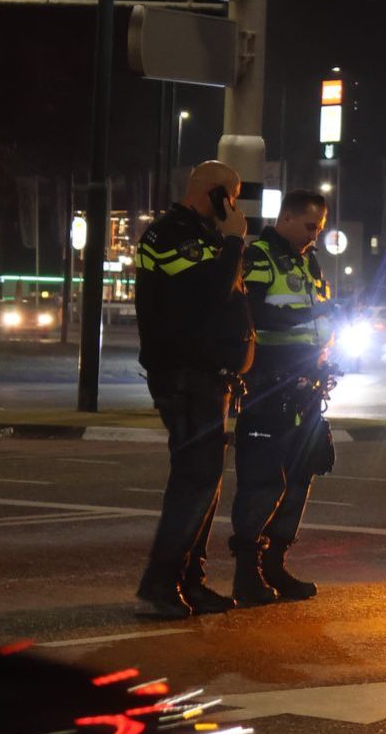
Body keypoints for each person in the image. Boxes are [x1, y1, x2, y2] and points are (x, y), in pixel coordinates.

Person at [134, 161, 254, 619]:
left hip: (210, 377)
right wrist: (233, 241)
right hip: (186, 376)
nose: (236, 205)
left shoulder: (206, 237)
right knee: (195, 481)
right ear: (215, 193)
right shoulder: (168, 235)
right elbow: (207, 296)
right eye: (232, 194)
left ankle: (188, 580)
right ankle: (160, 585)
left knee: (205, 482)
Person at [227, 189, 338, 606]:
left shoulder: (308, 260)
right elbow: (252, 310)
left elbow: (319, 312)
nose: (314, 236)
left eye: (320, 229)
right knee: (263, 479)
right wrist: (314, 315)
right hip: (269, 383)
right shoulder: (259, 257)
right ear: (287, 218)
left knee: (301, 475)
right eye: (310, 226)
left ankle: (275, 563)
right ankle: (247, 572)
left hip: (306, 384)